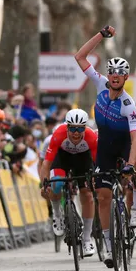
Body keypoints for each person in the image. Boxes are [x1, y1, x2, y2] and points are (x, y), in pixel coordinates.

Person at [75, 25, 136, 269]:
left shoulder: (129, 104)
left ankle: (134, 207)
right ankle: (107, 242)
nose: (114, 76)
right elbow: (80, 57)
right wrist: (100, 36)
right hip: (104, 145)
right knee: (103, 197)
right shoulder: (100, 84)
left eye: (120, 74)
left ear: (126, 78)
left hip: (125, 146)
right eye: (112, 72)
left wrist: (129, 164)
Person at [41, 109, 98, 257]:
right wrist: (44, 184)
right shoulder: (58, 134)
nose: (76, 133)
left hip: (83, 160)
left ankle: (86, 238)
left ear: (85, 128)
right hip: (63, 158)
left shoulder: (91, 137)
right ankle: (57, 214)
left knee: (87, 195)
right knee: (57, 184)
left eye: (80, 129)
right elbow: (46, 164)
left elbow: (96, 164)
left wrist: (96, 179)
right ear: (67, 127)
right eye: (72, 128)